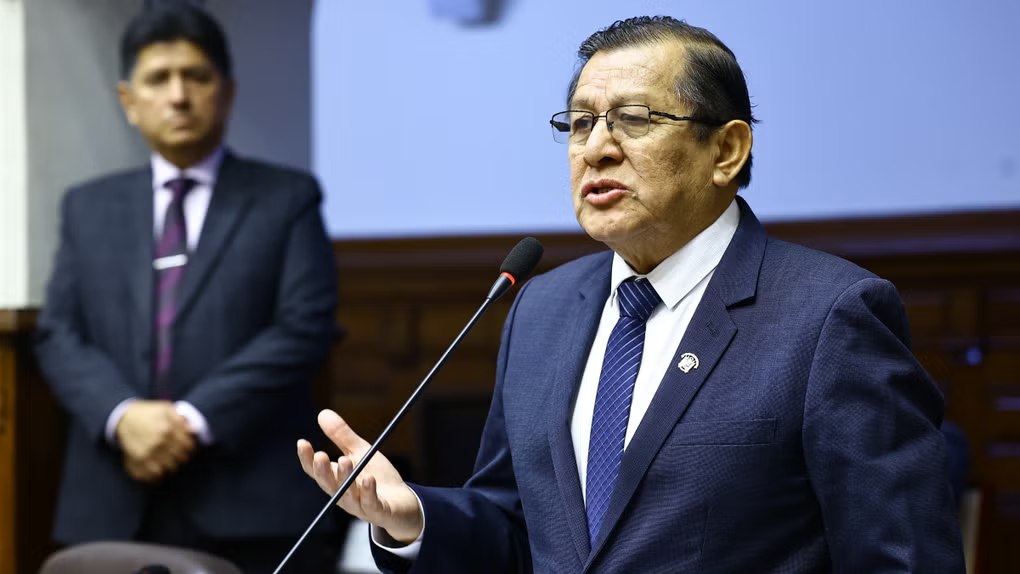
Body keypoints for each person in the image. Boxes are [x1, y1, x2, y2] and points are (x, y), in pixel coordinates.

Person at [298, 16, 965, 572]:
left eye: (633, 119)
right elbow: (520, 525)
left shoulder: (829, 316)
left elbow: (901, 557)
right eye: (579, 123)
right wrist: (415, 518)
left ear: (726, 151)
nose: (596, 149)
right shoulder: (541, 310)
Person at [34, 4, 338, 572]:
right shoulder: (87, 206)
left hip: (249, 497)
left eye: (195, 76)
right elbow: (58, 333)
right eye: (158, 79)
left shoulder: (287, 199)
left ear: (227, 91)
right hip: (113, 495)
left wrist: (190, 421)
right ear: (129, 101)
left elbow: (304, 328)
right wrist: (123, 416)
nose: (178, 96)